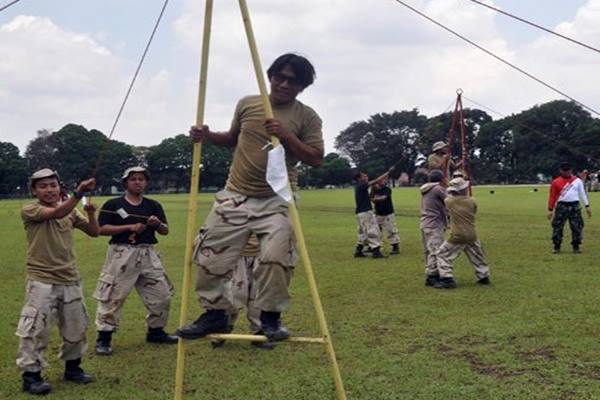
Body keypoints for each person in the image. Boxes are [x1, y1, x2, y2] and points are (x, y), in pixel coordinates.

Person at [176, 53, 324, 342]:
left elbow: (317, 158)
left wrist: (286, 136)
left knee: (275, 257)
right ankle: (215, 312)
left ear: (302, 87)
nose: (282, 84)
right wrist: (207, 135)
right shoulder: (247, 103)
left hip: (277, 198)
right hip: (235, 194)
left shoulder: (307, 116)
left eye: (291, 81)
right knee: (208, 254)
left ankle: (269, 317)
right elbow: (232, 138)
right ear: (269, 76)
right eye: (278, 76)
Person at [16, 169, 98, 395]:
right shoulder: (30, 209)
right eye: (42, 186)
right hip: (41, 278)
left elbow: (94, 232)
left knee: (76, 326)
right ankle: (31, 376)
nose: (49, 189)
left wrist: (91, 214)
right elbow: (57, 212)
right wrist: (78, 193)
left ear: (59, 186)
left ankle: (73, 369)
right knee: (36, 328)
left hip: (69, 277)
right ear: (34, 190)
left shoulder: (71, 210)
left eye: (53, 185)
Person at [94, 166, 177, 356]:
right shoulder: (113, 204)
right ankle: (104, 338)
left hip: (148, 253)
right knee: (113, 296)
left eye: (141, 179)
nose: (138, 182)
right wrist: (129, 227)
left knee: (162, 294)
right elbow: (101, 229)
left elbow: (165, 231)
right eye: (133, 179)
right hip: (121, 253)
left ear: (146, 182)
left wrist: (158, 224)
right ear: (125, 183)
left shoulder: (153, 205)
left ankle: (156, 331)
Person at [434, 177, 490, 289]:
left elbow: (447, 196)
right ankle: (483, 276)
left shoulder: (449, 201)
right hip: (471, 233)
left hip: (457, 234)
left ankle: (447, 278)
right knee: (476, 255)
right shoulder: (472, 201)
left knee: (442, 254)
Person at [547, 162, 592, 254]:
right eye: (565, 170)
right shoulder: (556, 182)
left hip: (575, 206)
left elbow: (582, 194)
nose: (567, 172)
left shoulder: (577, 181)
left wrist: (587, 206)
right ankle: (557, 246)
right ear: (561, 171)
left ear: (571, 170)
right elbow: (552, 196)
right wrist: (550, 209)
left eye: (568, 170)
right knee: (558, 227)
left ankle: (576, 246)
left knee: (577, 227)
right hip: (561, 206)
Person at [353, 170, 391, 258]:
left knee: (363, 232)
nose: (366, 177)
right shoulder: (362, 185)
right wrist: (387, 173)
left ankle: (358, 250)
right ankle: (376, 251)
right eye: (364, 176)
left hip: (360, 213)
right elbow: (376, 181)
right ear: (359, 179)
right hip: (366, 212)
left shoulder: (358, 187)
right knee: (372, 230)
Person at [419, 169, 447, 286]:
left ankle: (431, 273)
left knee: (430, 251)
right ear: (441, 179)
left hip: (425, 223)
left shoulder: (426, 189)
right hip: (434, 224)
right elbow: (450, 200)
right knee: (436, 250)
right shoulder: (438, 189)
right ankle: (433, 275)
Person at [370, 177, 400, 255]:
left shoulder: (387, 189)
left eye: (384, 180)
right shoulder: (374, 190)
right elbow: (371, 198)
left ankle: (395, 246)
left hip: (388, 213)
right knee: (376, 231)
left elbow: (383, 198)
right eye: (382, 180)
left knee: (391, 230)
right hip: (378, 213)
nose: (384, 181)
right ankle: (375, 247)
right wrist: (375, 198)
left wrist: (375, 199)